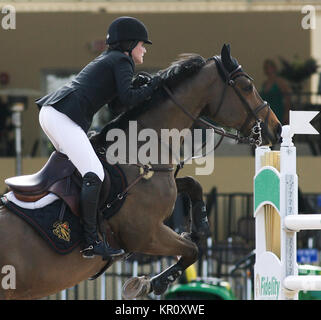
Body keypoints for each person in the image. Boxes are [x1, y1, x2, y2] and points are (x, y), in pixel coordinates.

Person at [35, 16, 162, 259]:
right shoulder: (122, 61)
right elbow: (128, 99)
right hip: (63, 116)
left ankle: (62, 223)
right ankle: (91, 240)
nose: (144, 49)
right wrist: (153, 85)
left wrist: (140, 85)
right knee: (94, 173)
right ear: (129, 44)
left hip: (55, 113)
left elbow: (116, 106)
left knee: (81, 171)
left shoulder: (113, 59)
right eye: (141, 44)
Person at [260, 59, 292, 125]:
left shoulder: (280, 82)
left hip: (278, 111)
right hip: (267, 113)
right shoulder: (265, 84)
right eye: (265, 68)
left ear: (274, 68)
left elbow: (288, 98)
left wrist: (287, 113)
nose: (267, 70)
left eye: (269, 67)